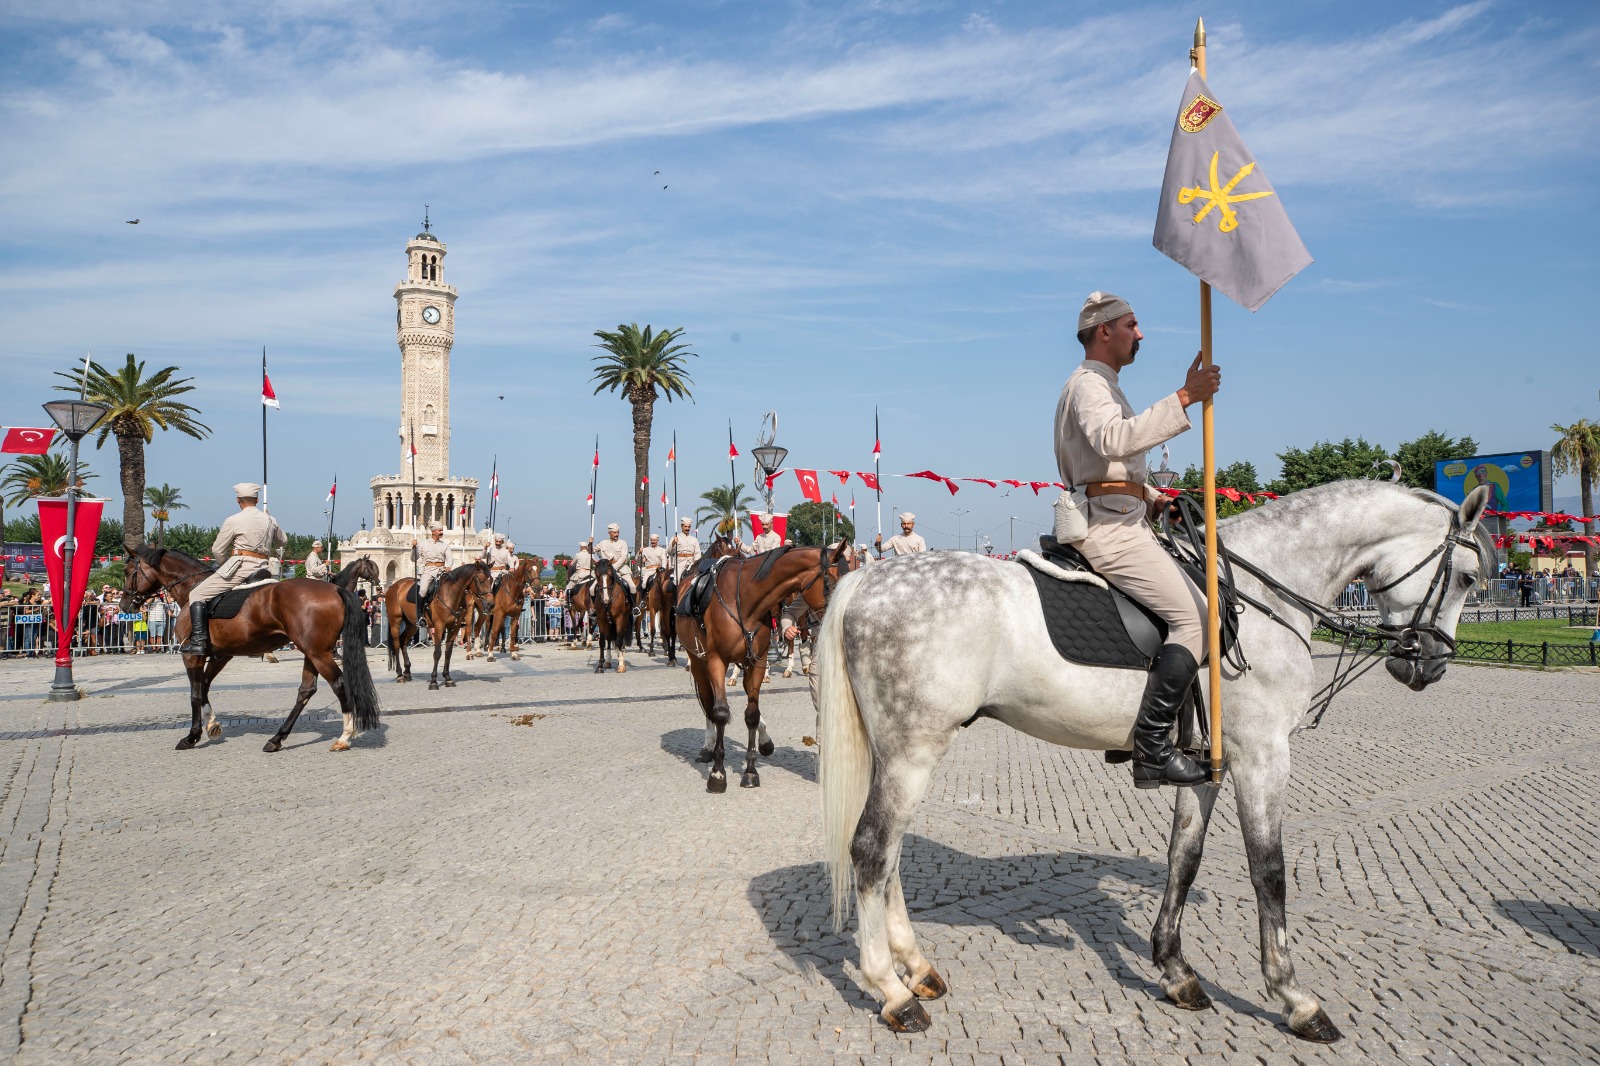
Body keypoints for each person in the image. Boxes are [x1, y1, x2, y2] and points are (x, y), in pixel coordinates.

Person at [1054, 291, 1221, 789]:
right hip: (1110, 531)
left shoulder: (1104, 386)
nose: (1140, 334)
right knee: (1196, 619)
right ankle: (1151, 745)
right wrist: (1185, 397)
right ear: (1104, 331)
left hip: (1127, 518)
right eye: (1132, 324)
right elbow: (1112, 441)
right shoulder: (1088, 385)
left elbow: (1111, 467)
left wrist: (1152, 497)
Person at [180, 483, 288, 656]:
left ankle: (198, 641)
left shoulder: (233, 520)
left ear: (238, 500)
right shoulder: (270, 520)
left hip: (240, 568)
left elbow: (217, 550)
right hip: (264, 568)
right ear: (257, 500)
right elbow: (283, 541)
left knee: (197, 594)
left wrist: (225, 565)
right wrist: (271, 520)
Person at [411, 522, 454, 612]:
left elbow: (449, 558)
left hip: (442, 570)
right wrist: (414, 547)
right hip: (429, 570)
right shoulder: (423, 544)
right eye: (439, 530)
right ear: (433, 532)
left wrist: (448, 566)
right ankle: (420, 612)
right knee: (423, 589)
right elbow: (413, 558)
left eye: (442, 530)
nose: (441, 532)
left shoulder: (445, 545)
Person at [593, 523, 636, 597]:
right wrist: (590, 543)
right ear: (609, 533)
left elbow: (623, 557)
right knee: (591, 588)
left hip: (621, 569)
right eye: (614, 532)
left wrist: (614, 567)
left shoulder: (623, 543)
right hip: (605, 571)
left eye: (618, 532)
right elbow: (590, 552)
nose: (617, 534)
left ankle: (633, 606)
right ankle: (593, 607)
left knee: (632, 587)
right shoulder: (603, 543)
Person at [668, 517, 701, 581]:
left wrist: (695, 561)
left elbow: (698, 553)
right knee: (676, 580)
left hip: (692, 563)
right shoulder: (676, 537)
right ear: (681, 526)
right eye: (685, 526)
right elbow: (669, 552)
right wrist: (673, 543)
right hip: (680, 563)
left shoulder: (694, 540)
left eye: (689, 527)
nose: (687, 528)